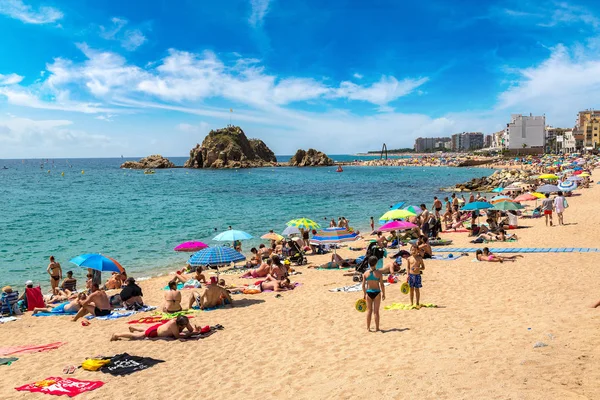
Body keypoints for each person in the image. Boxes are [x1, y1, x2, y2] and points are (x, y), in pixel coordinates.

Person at [111, 315, 199, 341]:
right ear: (180, 325)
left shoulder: (183, 320)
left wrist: (196, 330)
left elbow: (191, 330)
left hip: (160, 328)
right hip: (155, 332)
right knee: (137, 336)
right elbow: (177, 336)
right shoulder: (173, 324)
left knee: (145, 330)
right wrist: (192, 333)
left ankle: (134, 328)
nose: (186, 326)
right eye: (184, 326)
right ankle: (116, 335)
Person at [362, 256, 385, 332]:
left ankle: (368, 328)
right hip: (377, 292)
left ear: (369, 263)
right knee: (376, 311)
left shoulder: (365, 273)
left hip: (369, 292)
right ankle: (377, 328)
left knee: (369, 311)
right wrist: (384, 293)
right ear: (376, 263)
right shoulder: (379, 273)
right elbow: (381, 284)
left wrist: (364, 294)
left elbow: (363, 285)